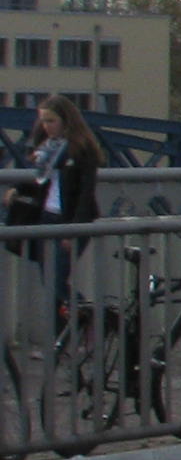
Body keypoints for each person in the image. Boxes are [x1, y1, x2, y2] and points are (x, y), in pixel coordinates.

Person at [14, 96, 104, 310]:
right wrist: (17, 190)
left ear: (66, 120)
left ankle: (91, 318)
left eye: (51, 120)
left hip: (69, 220)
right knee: (50, 281)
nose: (46, 126)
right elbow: (40, 181)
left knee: (56, 281)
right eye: (43, 121)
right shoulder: (46, 147)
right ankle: (63, 336)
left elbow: (85, 192)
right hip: (46, 217)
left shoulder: (82, 148)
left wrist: (73, 230)